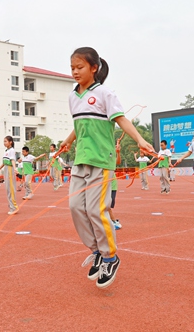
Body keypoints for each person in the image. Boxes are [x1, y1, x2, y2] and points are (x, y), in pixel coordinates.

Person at [60, 47, 154, 289]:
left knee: (96, 210)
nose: (74, 72)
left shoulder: (104, 94)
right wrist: (68, 140)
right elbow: (80, 123)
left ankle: (110, 257)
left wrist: (140, 140)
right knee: (74, 207)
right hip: (80, 159)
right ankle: (97, 251)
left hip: (102, 160)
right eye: (72, 68)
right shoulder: (73, 97)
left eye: (79, 67)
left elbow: (120, 119)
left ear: (94, 68)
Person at [0, 136, 18, 215]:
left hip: (10, 169)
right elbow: (4, 162)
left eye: (5, 141)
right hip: (6, 169)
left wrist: (15, 168)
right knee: (7, 189)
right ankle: (11, 206)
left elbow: (12, 160)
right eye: (4, 141)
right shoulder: (6, 151)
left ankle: (14, 207)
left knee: (11, 188)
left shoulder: (11, 150)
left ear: (10, 142)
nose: (4, 143)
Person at [109, 143, 122, 230]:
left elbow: (118, 162)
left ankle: (113, 221)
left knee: (109, 204)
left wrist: (118, 153)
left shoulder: (111, 154)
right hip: (102, 183)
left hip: (112, 184)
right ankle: (113, 221)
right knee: (105, 205)